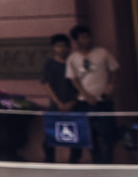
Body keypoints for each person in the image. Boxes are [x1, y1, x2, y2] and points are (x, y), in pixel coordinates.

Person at [68, 24, 121, 163]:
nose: (87, 40)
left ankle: (108, 162)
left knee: (108, 134)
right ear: (76, 40)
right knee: (90, 135)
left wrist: (111, 86)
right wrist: (85, 95)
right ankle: (96, 162)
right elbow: (73, 79)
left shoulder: (102, 53)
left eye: (88, 37)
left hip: (103, 100)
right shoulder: (73, 58)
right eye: (83, 37)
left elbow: (114, 70)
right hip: (84, 102)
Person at [39, 32, 79, 163]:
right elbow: (47, 84)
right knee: (51, 136)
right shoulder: (49, 64)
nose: (62, 49)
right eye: (58, 46)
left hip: (74, 105)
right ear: (54, 48)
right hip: (55, 105)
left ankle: (73, 164)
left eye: (64, 46)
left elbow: (80, 84)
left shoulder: (73, 62)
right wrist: (58, 102)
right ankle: (50, 163)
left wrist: (73, 101)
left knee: (76, 136)